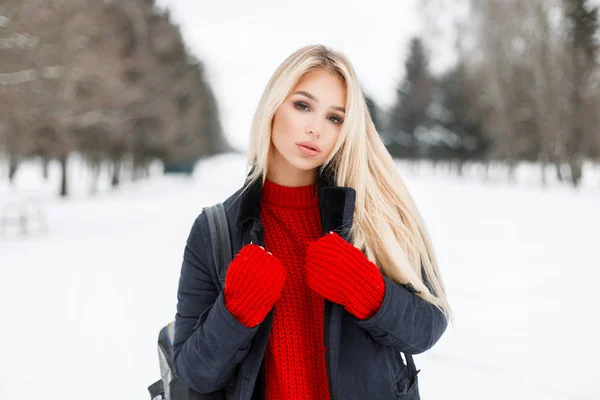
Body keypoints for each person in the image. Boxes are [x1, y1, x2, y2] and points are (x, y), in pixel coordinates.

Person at [172, 44, 452, 400]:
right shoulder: (216, 231)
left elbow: (427, 327)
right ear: (273, 106)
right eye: (303, 105)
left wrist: (367, 290)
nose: (315, 129)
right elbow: (193, 375)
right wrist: (235, 312)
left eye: (335, 118)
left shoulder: (373, 215)